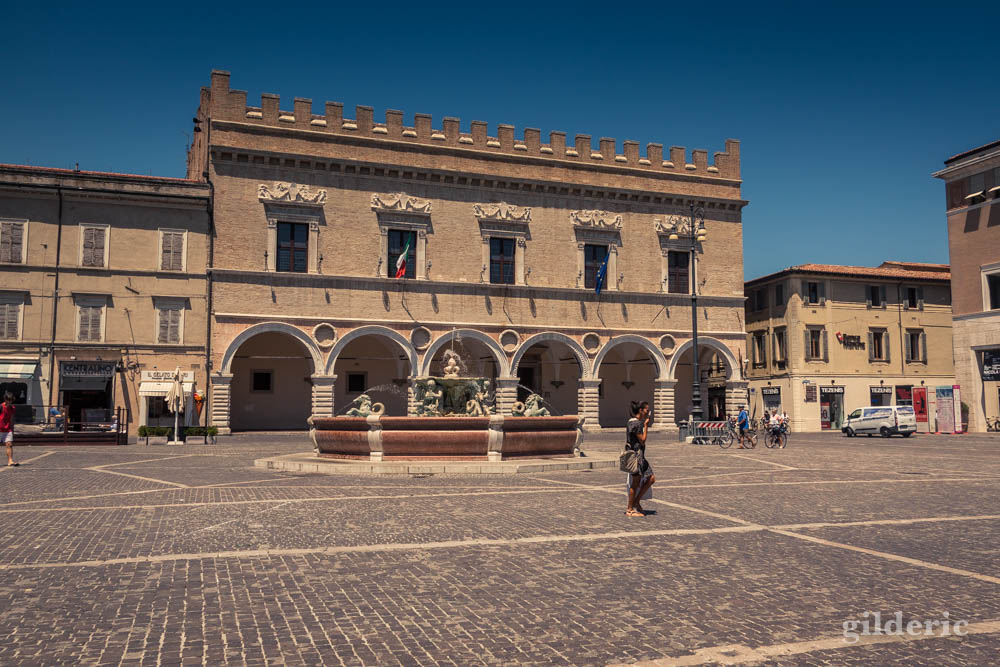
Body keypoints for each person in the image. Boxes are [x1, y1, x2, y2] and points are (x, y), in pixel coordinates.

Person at [625, 400, 655, 517]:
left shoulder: (631, 422)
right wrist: (646, 425)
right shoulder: (636, 424)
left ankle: (636, 501)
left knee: (651, 478)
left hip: (640, 456)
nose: (647, 412)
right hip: (636, 456)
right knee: (635, 482)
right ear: (640, 410)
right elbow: (642, 440)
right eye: (646, 410)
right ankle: (630, 509)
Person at [2, 393, 16, 467]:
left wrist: (12, 429)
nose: (10, 402)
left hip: (8, 429)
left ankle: (10, 460)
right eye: (8, 400)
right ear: (5, 399)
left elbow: (12, 419)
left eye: (11, 400)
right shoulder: (1, 407)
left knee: (9, 444)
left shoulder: (12, 408)